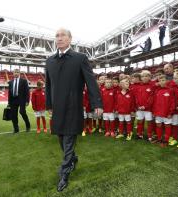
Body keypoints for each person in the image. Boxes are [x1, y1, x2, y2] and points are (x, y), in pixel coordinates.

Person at [45, 28, 103, 192]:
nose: (59, 38)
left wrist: (97, 103)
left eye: (63, 35)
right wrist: (49, 105)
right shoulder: (49, 61)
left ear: (70, 39)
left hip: (73, 107)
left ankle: (64, 173)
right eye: (57, 35)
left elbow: (91, 82)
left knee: (69, 141)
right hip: (57, 109)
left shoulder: (80, 58)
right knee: (61, 140)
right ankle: (72, 159)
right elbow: (48, 86)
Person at [152, 75, 175, 147]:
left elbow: (172, 102)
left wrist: (170, 112)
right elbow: (154, 102)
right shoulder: (157, 90)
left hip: (167, 112)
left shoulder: (170, 90)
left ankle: (166, 140)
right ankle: (159, 139)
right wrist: (154, 112)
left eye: (163, 80)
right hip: (158, 112)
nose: (161, 82)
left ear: (167, 81)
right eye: (160, 81)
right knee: (158, 125)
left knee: (167, 125)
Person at [8, 69, 31, 133]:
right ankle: (16, 129)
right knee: (13, 115)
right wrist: (9, 102)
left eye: (17, 72)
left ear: (19, 73)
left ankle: (28, 126)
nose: (16, 73)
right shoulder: (10, 82)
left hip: (22, 100)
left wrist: (27, 101)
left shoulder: (24, 81)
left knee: (22, 112)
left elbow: (27, 92)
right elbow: (9, 93)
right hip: (13, 100)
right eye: (15, 72)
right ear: (13, 73)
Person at [134, 70, 154, 141]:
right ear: (141, 78)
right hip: (139, 108)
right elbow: (136, 97)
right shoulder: (139, 86)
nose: (144, 78)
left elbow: (152, 98)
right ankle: (140, 134)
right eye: (142, 76)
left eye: (146, 76)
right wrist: (138, 105)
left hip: (148, 109)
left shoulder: (152, 86)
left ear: (149, 77)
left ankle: (150, 136)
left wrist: (145, 106)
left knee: (149, 122)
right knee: (140, 121)